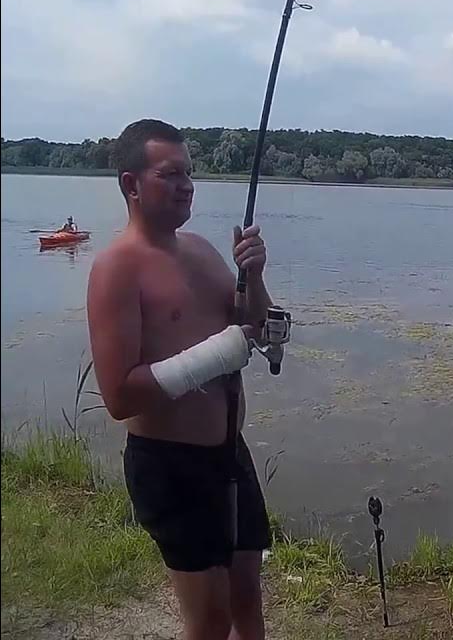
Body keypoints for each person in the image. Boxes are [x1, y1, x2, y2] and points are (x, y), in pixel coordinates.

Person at [87, 119, 273, 640]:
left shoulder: (202, 250)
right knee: (210, 621)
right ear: (131, 184)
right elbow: (119, 396)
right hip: (169, 465)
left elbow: (259, 327)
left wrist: (255, 279)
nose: (187, 185)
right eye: (170, 174)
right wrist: (216, 355)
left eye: (189, 173)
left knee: (248, 600)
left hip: (230, 455)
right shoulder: (116, 269)